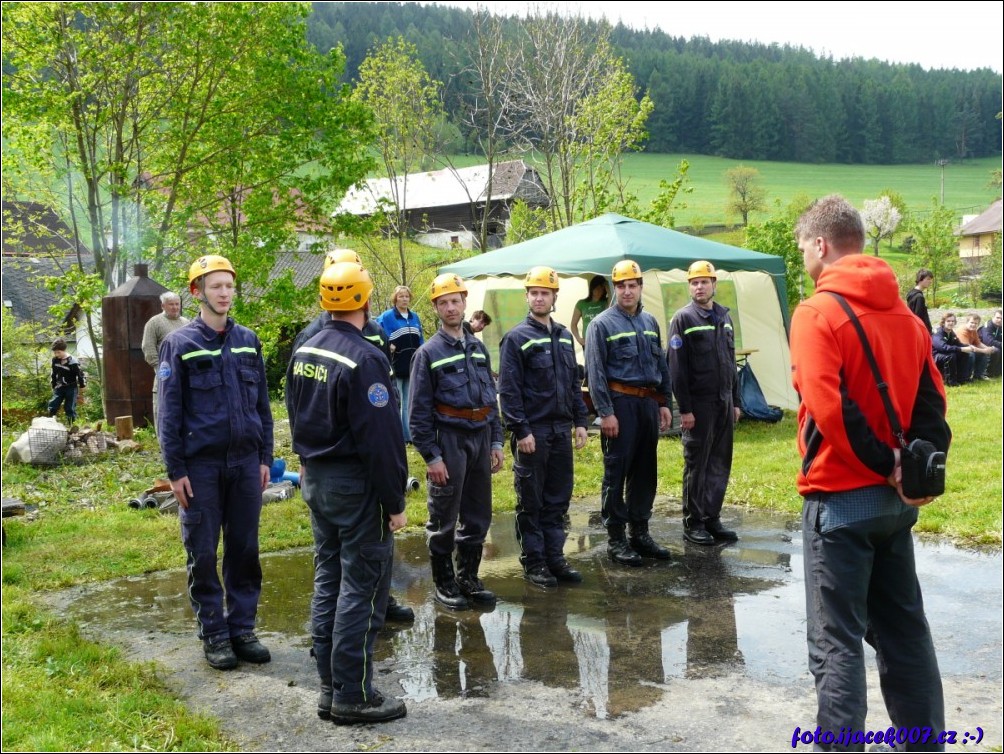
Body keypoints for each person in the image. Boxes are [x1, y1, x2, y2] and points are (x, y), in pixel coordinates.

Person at [791, 195, 950, 749]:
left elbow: (830, 409)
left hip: (838, 503)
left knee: (836, 646)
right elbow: (933, 402)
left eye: (802, 247)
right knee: (905, 633)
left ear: (820, 244)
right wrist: (912, 470)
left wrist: (884, 464)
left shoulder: (816, 313)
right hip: (893, 507)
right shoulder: (905, 314)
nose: (803, 258)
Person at [286, 261, 409, 725]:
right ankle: (353, 695)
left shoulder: (305, 350)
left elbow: (295, 415)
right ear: (365, 299)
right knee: (363, 588)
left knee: (328, 581)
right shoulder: (367, 358)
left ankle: (329, 686)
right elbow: (381, 441)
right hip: (355, 486)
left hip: (316, 478)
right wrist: (394, 502)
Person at [157, 255, 274, 671]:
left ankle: (242, 628)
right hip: (201, 468)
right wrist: (176, 471)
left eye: (229, 285)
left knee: (245, 550)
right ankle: (214, 633)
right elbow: (168, 414)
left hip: (245, 464)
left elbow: (261, 406)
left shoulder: (248, 340)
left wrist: (265, 458)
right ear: (197, 292)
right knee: (203, 553)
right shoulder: (180, 344)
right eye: (216, 286)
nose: (224, 293)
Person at [409, 273, 504, 610]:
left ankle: (469, 577)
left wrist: (496, 443)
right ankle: (444, 582)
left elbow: (491, 401)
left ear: (465, 303)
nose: (451, 307)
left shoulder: (478, 348)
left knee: (478, 514)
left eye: (455, 301)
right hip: (449, 440)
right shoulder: (427, 353)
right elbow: (418, 414)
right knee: (444, 516)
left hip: (480, 437)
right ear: (435, 307)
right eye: (443, 302)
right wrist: (432, 457)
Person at [498, 266, 589, 588]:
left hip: (560, 431)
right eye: (533, 292)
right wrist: (520, 431)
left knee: (557, 499)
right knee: (531, 501)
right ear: (527, 296)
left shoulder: (565, 336)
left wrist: (580, 421)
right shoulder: (516, 339)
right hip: (532, 433)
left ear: (554, 298)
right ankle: (534, 562)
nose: (539, 298)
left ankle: (555, 558)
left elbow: (573, 384)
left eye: (544, 293)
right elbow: (508, 391)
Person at [585, 260, 674, 567]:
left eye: (632, 285)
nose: (626, 291)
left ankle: (640, 533)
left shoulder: (650, 322)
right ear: (614, 288)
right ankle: (616, 539)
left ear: (640, 287)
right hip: (619, 406)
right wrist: (605, 413)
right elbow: (594, 374)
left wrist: (664, 402)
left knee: (645, 471)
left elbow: (661, 365)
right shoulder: (601, 324)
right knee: (616, 472)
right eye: (621, 286)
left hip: (647, 404)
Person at [667, 260, 741, 546]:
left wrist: (735, 401)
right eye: (694, 283)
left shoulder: (724, 316)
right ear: (689, 287)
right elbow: (676, 368)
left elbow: (730, 362)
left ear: (714, 285)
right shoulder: (683, 319)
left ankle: (712, 518)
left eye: (704, 282)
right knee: (697, 463)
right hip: (698, 406)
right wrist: (684, 409)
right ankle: (693, 522)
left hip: (723, 402)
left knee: (720, 462)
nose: (699, 287)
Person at [376, 286, 424, 443]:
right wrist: (387, 344)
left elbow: (421, 339)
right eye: (401, 296)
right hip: (396, 364)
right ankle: (403, 435)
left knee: (410, 400)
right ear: (395, 299)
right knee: (399, 401)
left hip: (412, 364)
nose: (404, 299)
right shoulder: (388, 316)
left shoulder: (414, 317)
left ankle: (410, 433)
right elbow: (375, 331)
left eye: (407, 296)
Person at [142, 291, 190, 426]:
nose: (175, 307)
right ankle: (164, 445)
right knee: (164, 414)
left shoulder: (187, 323)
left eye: (177, 304)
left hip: (185, 376)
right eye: (171, 305)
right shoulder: (154, 322)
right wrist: (160, 370)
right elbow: (148, 347)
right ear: (163, 306)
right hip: (165, 376)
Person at [47, 338, 86, 424]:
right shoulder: (55, 360)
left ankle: (72, 425)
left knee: (69, 408)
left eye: (59, 352)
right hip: (59, 386)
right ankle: (49, 423)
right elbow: (53, 373)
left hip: (71, 388)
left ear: (64, 350)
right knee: (53, 404)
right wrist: (53, 385)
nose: (57, 354)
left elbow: (80, 374)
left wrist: (82, 386)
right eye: (55, 352)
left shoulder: (73, 362)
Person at [931, 312, 973, 387]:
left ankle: (962, 379)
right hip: (935, 355)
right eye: (948, 321)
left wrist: (968, 347)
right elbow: (942, 347)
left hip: (947, 353)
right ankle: (951, 382)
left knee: (966, 353)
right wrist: (961, 349)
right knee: (951, 356)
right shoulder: (938, 333)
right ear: (943, 322)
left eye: (953, 321)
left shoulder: (951, 332)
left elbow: (958, 344)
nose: (951, 323)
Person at [570, 274, 610, 351]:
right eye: (597, 288)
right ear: (592, 288)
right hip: (588, 342)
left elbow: (611, 305)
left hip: (604, 341)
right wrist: (579, 339)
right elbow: (573, 324)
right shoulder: (582, 303)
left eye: (602, 288)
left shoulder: (605, 302)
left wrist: (608, 288)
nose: (599, 291)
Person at [956, 313, 995, 382]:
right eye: (972, 322)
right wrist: (984, 350)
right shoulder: (963, 330)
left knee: (983, 354)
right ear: (967, 322)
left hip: (968, 349)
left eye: (976, 323)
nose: (973, 325)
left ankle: (978, 375)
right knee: (971, 355)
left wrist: (988, 348)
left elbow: (978, 343)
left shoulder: (973, 330)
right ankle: (965, 378)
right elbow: (968, 347)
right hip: (959, 352)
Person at [979, 309, 1002, 378]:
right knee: (997, 351)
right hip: (981, 346)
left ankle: (998, 372)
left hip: (994, 345)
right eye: (998, 318)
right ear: (993, 317)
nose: (1000, 320)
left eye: (1002, 318)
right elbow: (988, 341)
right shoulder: (988, 326)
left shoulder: (1000, 327)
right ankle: (988, 373)